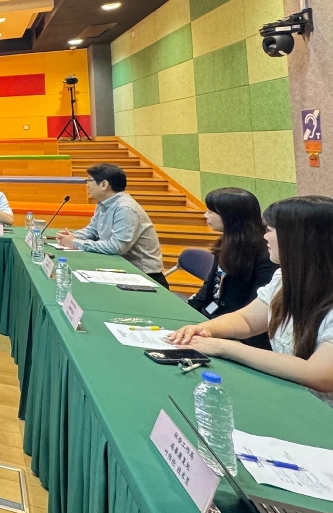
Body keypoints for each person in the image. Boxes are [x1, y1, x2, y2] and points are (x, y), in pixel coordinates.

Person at [168, 196, 333, 407]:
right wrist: (204, 329)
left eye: (270, 230)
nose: (265, 237)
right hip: (292, 397)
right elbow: (247, 321)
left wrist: (223, 347)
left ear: (297, 240)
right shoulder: (284, 278)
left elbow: (319, 374)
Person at [186, 187, 276, 348]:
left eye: (211, 211)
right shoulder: (226, 242)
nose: (205, 215)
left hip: (238, 334)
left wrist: (212, 328)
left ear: (230, 216)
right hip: (212, 319)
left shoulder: (265, 254)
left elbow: (253, 310)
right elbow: (209, 287)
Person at [55, 162, 166, 286]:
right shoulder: (104, 203)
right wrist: (73, 236)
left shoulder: (125, 208)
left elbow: (116, 247)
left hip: (144, 277)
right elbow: (92, 230)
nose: (87, 184)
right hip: (119, 269)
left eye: (89, 180)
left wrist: (75, 242)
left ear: (104, 184)